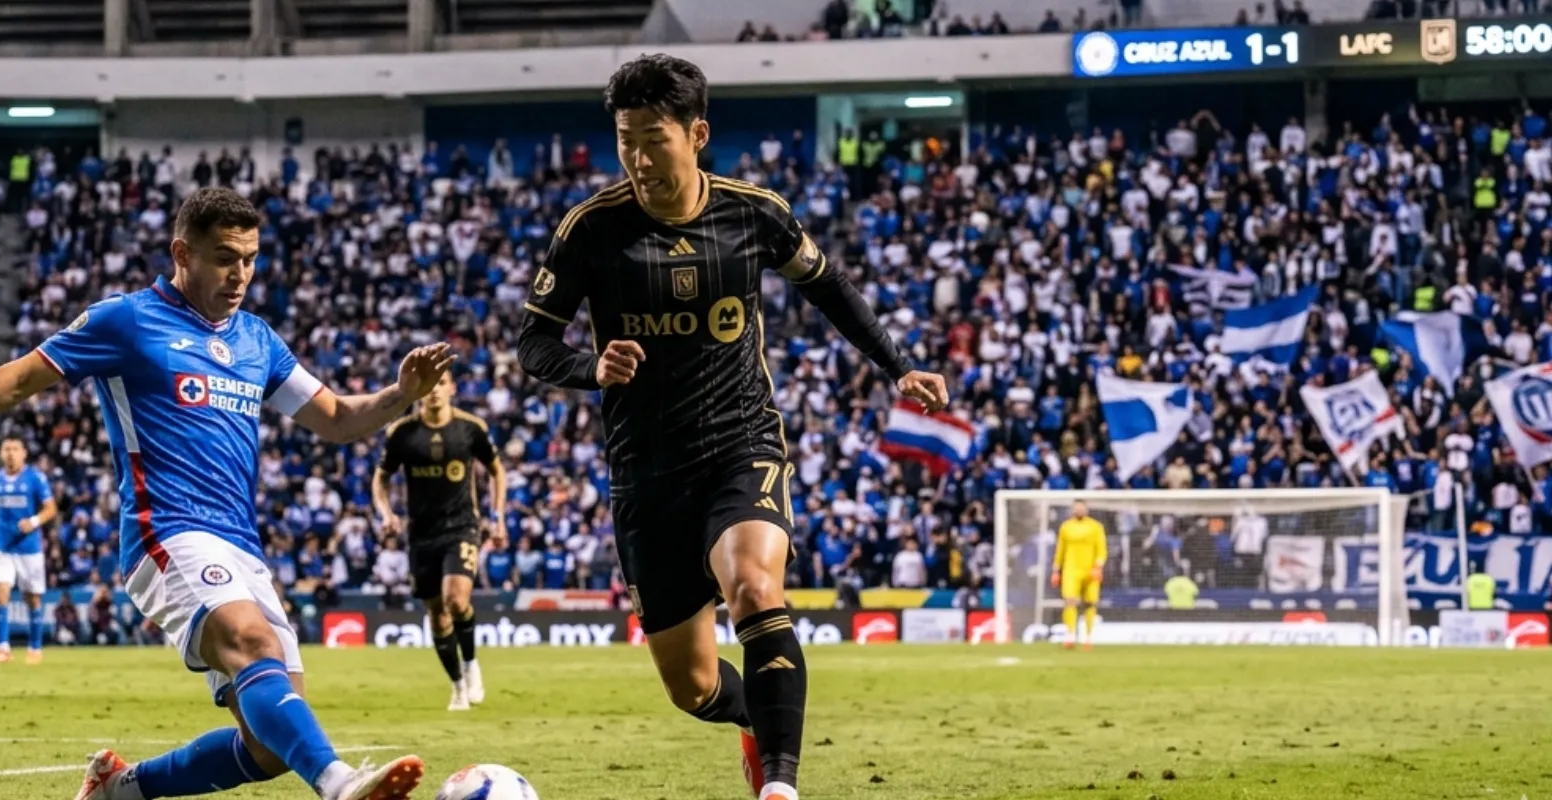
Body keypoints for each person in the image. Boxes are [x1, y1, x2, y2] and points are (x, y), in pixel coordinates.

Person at [0, 187, 448, 800]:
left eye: (250, 259)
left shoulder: (257, 340)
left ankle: (120, 788)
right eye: (224, 257)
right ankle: (340, 784)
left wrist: (400, 394)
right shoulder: (127, 320)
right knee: (252, 643)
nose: (240, 274)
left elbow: (338, 418)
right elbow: (17, 380)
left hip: (241, 544)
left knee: (269, 746)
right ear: (182, 253)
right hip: (167, 532)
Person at [515, 54, 948, 800]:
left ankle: (779, 786)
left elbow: (829, 286)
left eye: (654, 140)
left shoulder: (754, 213)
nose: (639, 159)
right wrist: (592, 367)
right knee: (691, 687)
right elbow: (534, 343)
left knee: (753, 586)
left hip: (740, 446)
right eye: (625, 141)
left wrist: (898, 366)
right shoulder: (591, 228)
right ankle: (758, 718)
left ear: (697, 134)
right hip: (645, 474)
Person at [371, 372, 506, 711]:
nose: (434, 391)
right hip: (421, 534)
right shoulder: (402, 433)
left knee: (456, 600)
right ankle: (458, 686)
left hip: (462, 527)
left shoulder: (470, 428)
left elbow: (497, 471)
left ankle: (471, 664)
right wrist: (386, 513)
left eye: (441, 383)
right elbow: (381, 479)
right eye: (427, 385)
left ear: (452, 388)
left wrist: (498, 516)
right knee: (436, 615)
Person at [0, 437, 58, 664]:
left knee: (32, 598)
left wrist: (33, 522)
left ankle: (35, 648)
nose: (10, 453)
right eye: (6, 449)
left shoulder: (35, 478)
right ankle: (2, 648)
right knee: (0, 594)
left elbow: (51, 509)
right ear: (1, 453)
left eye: (15, 449)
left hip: (29, 547)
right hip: (1, 546)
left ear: (24, 452)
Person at [1052, 500, 1108, 650]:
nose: (1079, 510)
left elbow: (1101, 549)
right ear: (1073, 510)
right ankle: (1070, 635)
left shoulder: (1095, 526)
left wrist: (1098, 566)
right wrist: (1056, 570)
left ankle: (1088, 637)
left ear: (1086, 510)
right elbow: (1060, 549)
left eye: (1082, 508)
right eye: (1077, 508)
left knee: (1091, 603)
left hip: (1090, 570)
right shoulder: (1066, 527)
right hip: (1071, 569)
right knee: (1070, 601)